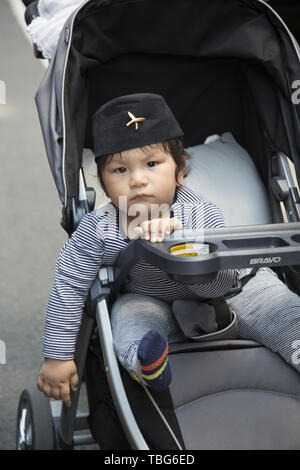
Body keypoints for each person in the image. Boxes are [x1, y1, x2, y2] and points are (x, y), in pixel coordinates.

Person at [37, 93, 300, 408]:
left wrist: (184, 248)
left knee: (281, 310)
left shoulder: (200, 212)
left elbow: (221, 281)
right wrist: (57, 355)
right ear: (104, 183)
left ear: (178, 171)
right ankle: (148, 365)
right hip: (151, 298)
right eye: (120, 170)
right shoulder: (98, 229)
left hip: (235, 290)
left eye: (151, 164)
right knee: (128, 319)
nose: (137, 180)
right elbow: (68, 284)